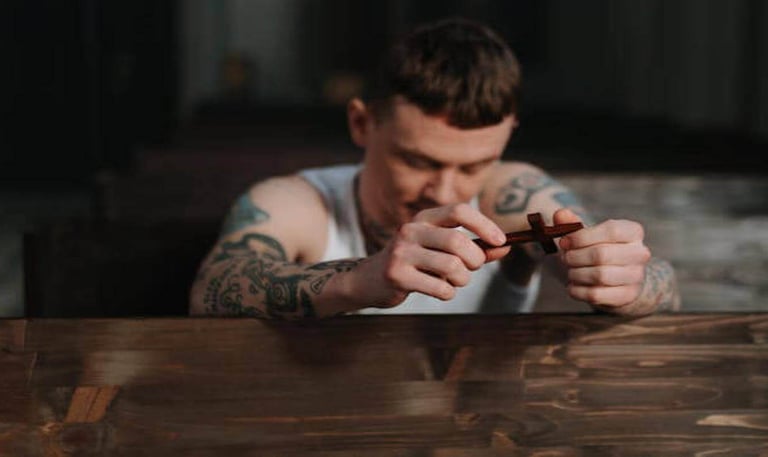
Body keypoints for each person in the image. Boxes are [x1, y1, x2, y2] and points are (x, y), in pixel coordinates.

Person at [189, 18, 680, 319]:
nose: (443, 190)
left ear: (508, 133)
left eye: (475, 164)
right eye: (415, 160)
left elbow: (660, 288)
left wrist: (623, 283)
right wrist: (360, 280)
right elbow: (214, 288)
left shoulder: (510, 194)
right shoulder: (299, 202)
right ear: (361, 123)